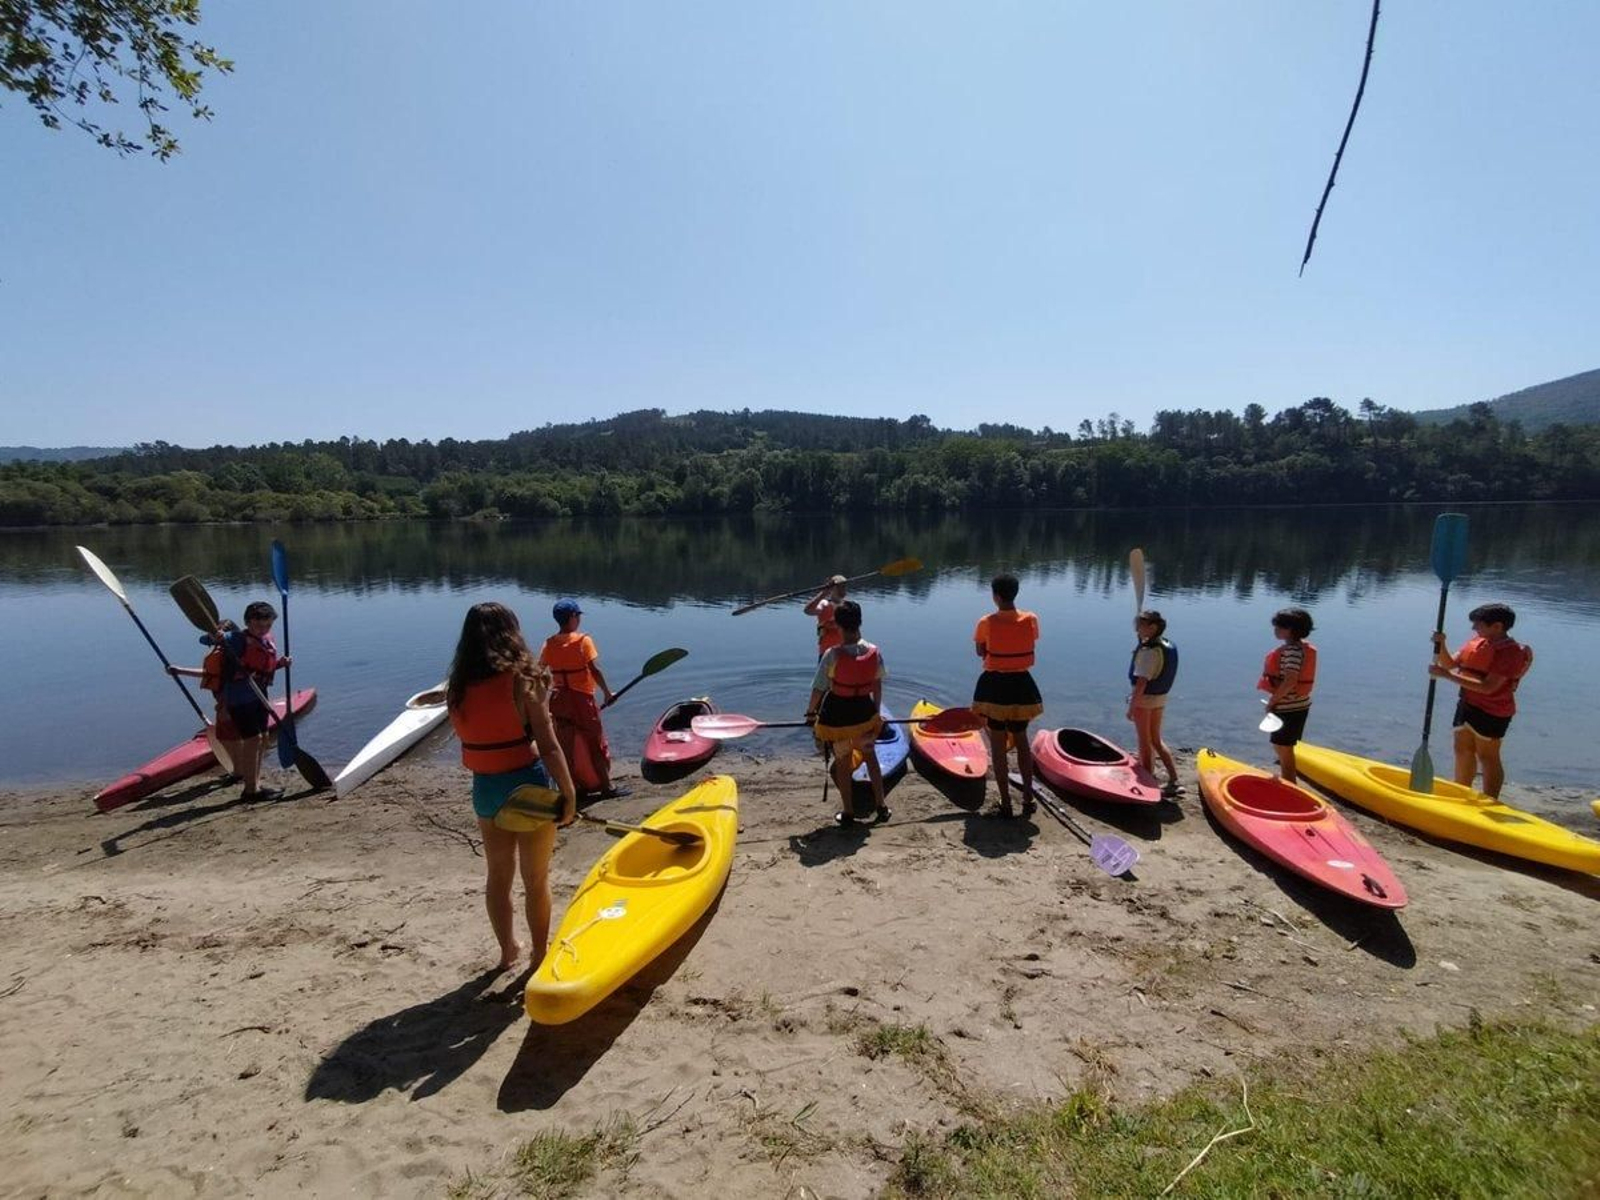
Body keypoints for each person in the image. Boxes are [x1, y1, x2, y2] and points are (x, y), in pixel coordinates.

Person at [447, 602, 577, 971]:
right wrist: (568, 793)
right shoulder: (525, 680)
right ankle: (539, 954)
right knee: (536, 879)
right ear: (511, 633)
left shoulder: (457, 687)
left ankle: (507, 952)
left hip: (485, 791)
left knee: (498, 877)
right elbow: (549, 745)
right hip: (528, 790)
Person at [169, 601, 290, 801]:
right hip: (240, 700)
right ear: (249, 622)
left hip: (259, 695)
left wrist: (280, 664)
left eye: (268, 626)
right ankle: (250, 790)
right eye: (260, 626)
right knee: (253, 740)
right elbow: (204, 640)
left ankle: (255, 784)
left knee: (262, 740)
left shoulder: (264, 639)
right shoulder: (235, 638)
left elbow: (259, 668)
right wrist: (214, 635)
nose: (264, 630)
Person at [1428, 602, 1533, 798]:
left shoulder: (1510, 653)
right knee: (1462, 748)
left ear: (1497, 627)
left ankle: (1490, 799)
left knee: (1487, 756)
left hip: (1493, 710)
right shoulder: (1479, 642)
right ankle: (1460, 792)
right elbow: (1450, 663)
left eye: (1478, 624)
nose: (1474, 628)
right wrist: (1441, 644)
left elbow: (1488, 687)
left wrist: (1445, 675)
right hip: (1468, 703)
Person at [805, 600, 888, 825]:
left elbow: (819, 688)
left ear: (838, 625)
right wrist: (877, 712)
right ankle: (881, 806)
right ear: (860, 622)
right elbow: (878, 685)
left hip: (838, 717)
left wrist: (810, 712)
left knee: (842, 763)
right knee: (870, 758)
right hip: (864, 713)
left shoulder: (832, 655)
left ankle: (849, 812)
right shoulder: (874, 651)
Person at [539, 598, 627, 799]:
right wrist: (607, 693)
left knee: (566, 748)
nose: (579, 619)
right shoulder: (583, 641)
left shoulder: (549, 644)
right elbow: (594, 670)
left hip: (559, 699)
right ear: (572, 617)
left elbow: (539, 672)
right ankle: (607, 788)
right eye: (578, 615)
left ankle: (575, 789)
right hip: (582, 700)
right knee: (595, 743)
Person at [972, 573, 1043, 818]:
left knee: (997, 744)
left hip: (995, 684)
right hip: (1022, 683)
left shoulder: (986, 622)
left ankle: (1005, 801)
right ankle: (1028, 796)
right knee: (1022, 739)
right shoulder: (1031, 618)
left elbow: (980, 650)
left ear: (996, 596)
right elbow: (1031, 640)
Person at [1127, 609, 1182, 798]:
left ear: (1152, 627)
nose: (1136, 629)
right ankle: (1174, 778)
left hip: (1145, 700)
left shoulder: (1148, 652)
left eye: (1140, 626)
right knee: (1156, 739)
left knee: (1144, 741)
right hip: (1160, 699)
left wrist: (1132, 706)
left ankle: (1148, 781)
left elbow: (1142, 682)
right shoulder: (1163, 645)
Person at [1259, 607, 1316, 784]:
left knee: (1283, 748)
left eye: (1279, 627)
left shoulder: (1292, 651)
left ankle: (1290, 784)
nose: (1275, 630)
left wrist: (1272, 702)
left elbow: (1290, 680)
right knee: (1282, 746)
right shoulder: (1299, 648)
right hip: (1298, 705)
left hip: (1288, 707)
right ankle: (1288, 780)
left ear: (1291, 629)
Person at [803, 574, 849, 660]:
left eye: (844, 586)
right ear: (833, 589)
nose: (843, 589)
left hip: (844, 652)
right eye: (839, 587)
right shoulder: (824, 604)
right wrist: (822, 594)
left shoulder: (848, 606)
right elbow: (808, 611)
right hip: (827, 653)